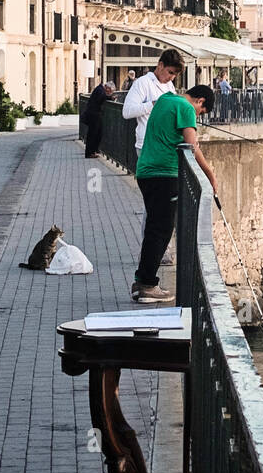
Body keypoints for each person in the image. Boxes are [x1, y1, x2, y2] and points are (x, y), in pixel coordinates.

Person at [132, 84, 219, 303]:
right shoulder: (186, 108)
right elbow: (190, 145)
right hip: (164, 173)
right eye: (201, 113)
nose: (198, 116)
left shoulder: (165, 100)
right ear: (200, 101)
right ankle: (147, 285)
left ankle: (142, 281)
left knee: (154, 226)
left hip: (145, 170)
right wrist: (209, 172)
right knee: (161, 230)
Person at [122, 50, 180, 157]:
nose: (172, 78)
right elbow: (127, 111)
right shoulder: (142, 82)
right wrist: (154, 104)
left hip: (166, 143)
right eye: (170, 72)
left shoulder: (169, 85)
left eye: (175, 75)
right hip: (147, 144)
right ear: (160, 65)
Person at [82, 80, 115, 158]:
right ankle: (90, 153)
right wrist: (110, 97)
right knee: (93, 134)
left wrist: (109, 97)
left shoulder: (100, 89)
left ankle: (93, 150)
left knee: (97, 134)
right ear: (107, 87)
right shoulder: (100, 90)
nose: (109, 92)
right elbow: (102, 98)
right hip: (94, 116)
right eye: (109, 91)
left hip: (95, 115)